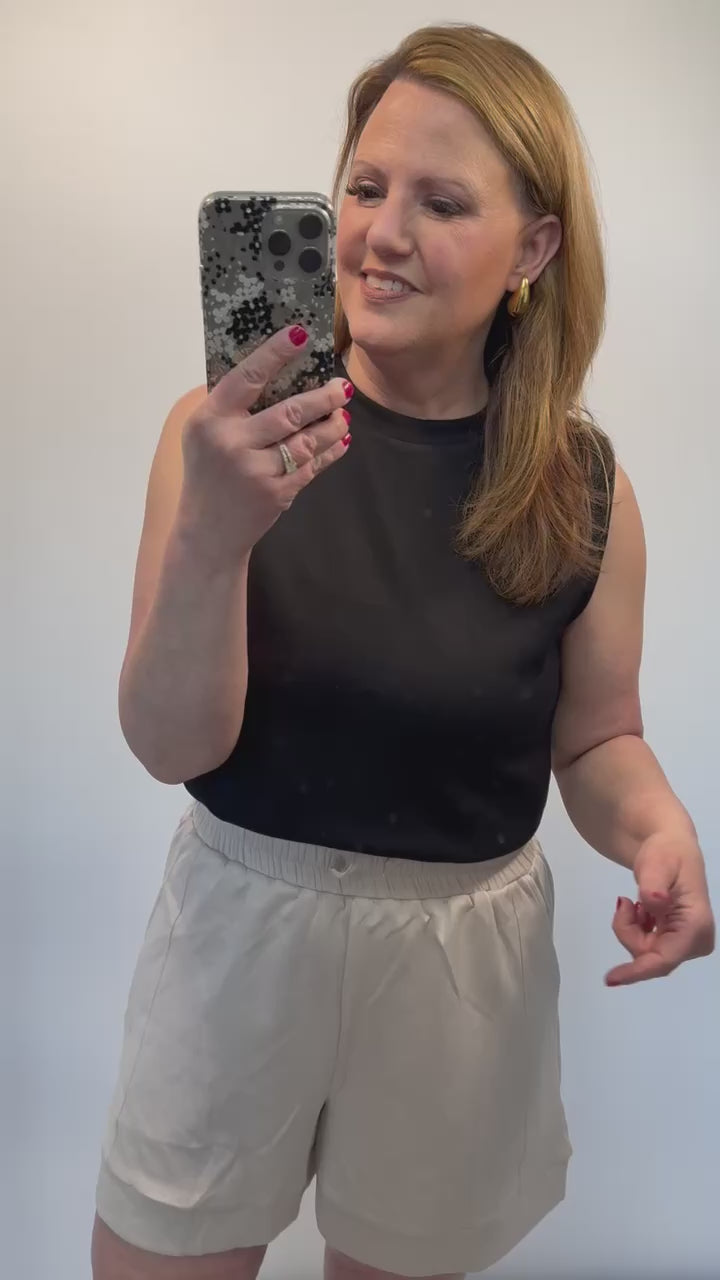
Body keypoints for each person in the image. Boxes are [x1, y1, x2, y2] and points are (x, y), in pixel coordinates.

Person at [91, 22, 715, 1280]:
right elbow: (170, 745)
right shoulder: (224, 439)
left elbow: (597, 735)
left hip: (459, 959)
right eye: (367, 187)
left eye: (442, 201)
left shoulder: (578, 486)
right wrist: (214, 535)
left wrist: (659, 830)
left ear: (533, 249)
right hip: (240, 931)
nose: (381, 233)